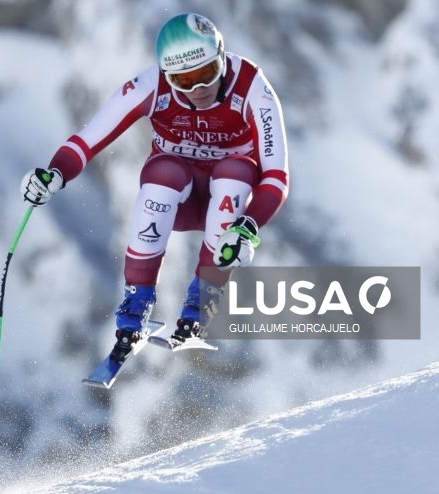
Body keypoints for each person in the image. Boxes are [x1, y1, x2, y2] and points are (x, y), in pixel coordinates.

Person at [20, 13, 289, 359]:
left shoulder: (252, 86)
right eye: (183, 80)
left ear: (222, 57)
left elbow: (276, 175)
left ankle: (201, 302)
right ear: (166, 75)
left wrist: (248, 226)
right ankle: (135, 304)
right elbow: (90, 139)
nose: (198, 89)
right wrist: (55, 173)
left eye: (205, 73)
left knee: (236, 171)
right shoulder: (151, 85)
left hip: (228, 198)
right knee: (164, 173)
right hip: (181, 195)